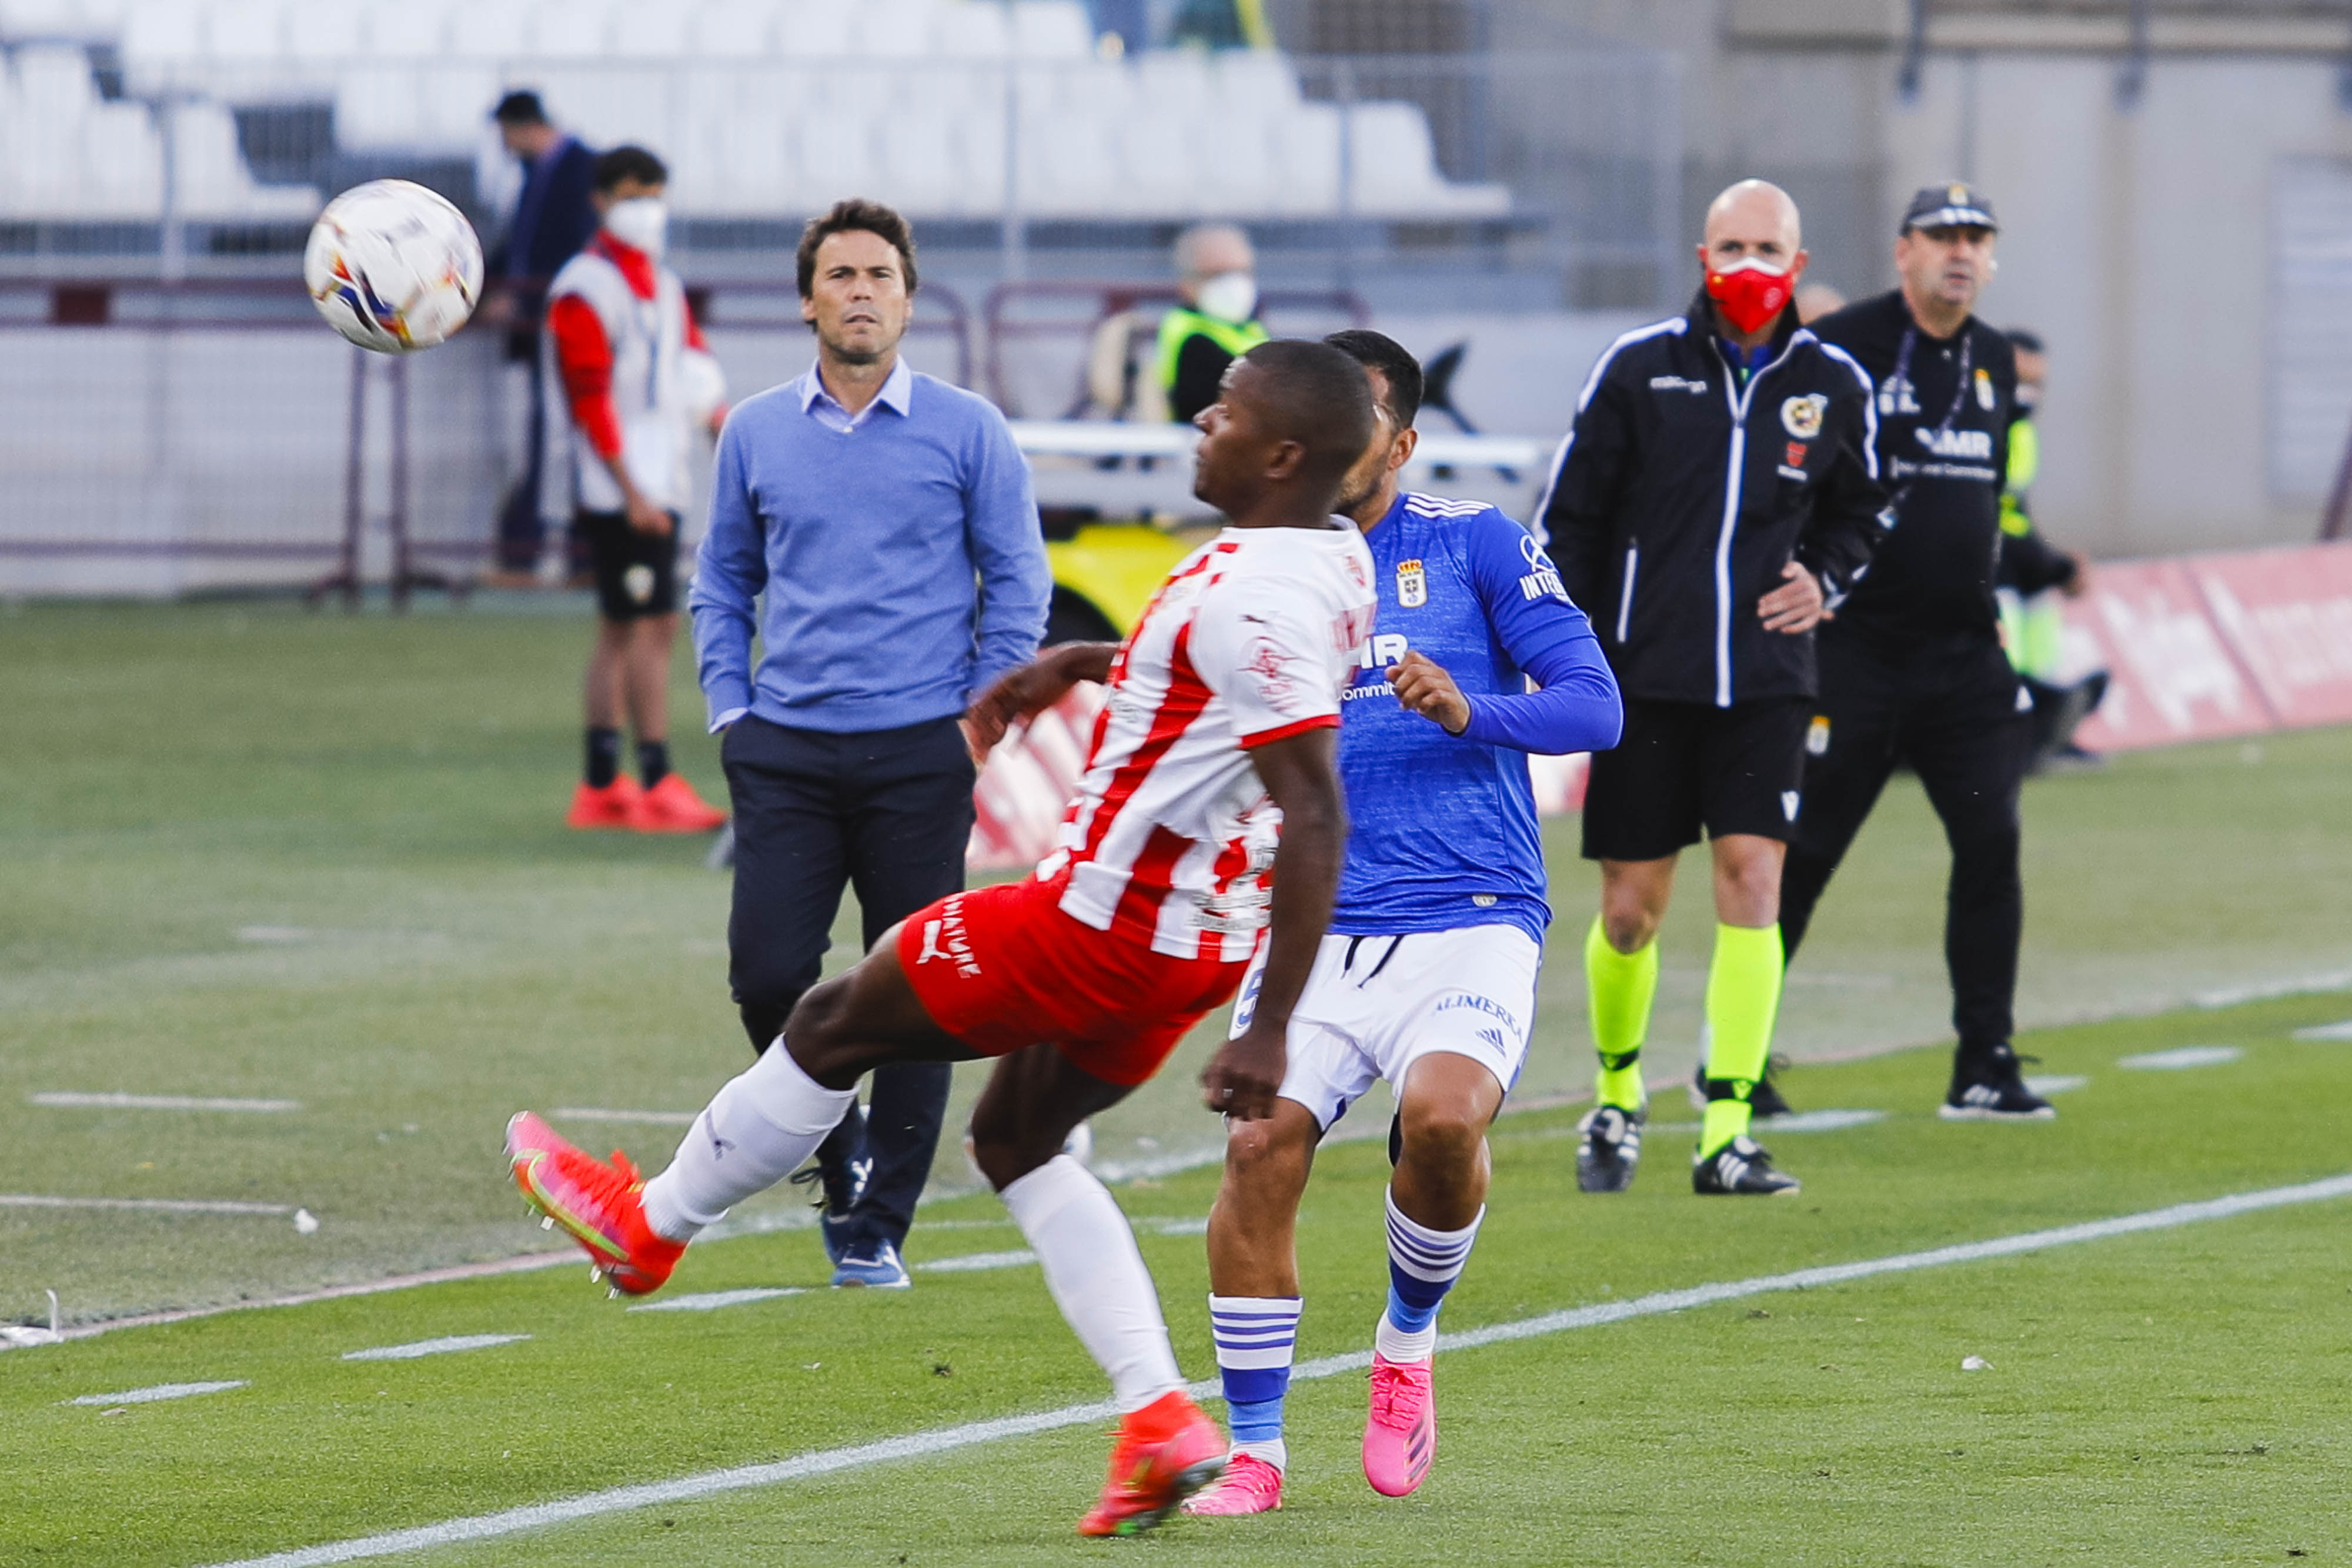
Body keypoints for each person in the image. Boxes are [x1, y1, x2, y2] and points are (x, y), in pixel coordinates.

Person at [506, 338, 1381, 1538]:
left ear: (1280, 453)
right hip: (1190, 938)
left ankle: (647, 1227)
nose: (1200, 423)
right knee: (1016, 1136)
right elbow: (1225, 699)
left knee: (830, 1020)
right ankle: (1158, 1418)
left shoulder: (1253, 592)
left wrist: (1273, 1031)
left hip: (1103, 918)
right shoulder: (1326, 553)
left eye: (1223, 413)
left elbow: (1316, 803)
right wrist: (1087, 665)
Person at [1182, 332, 1621, 1518]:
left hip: (1468, 911)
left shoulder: (1471, 541)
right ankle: (1258, 1451)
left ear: (1400, 440)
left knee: (1437, 1120)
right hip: (1312, 925)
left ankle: (1404, 1341)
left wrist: (1470, 706)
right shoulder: (1249, 563)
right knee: (1255, 1149)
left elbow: (1596, 706)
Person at [673, 199, 1050, 1288]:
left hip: (920, 754)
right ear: (808, 300)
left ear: (908, 296)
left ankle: (879, 1219)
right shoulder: (754, 429)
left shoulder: (968, 427)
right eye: (840, 275)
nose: (861, 292)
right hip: (782, 748)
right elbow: (724, 581)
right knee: (767, 974)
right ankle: (835, 1151)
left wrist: (978, 722)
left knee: (917, 985)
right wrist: (732, 712)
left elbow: (1018, 583)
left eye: (880, 274)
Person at [1537, 179, 1887, 1197]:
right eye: (1729, 247)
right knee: (1632, 910)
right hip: (1644, 682)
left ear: (1798, 264)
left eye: (1765, 249)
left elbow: (1866, 508)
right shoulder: (1639, 369)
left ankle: (1725, 1128)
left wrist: (1824, 577)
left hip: (1770, 682)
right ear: (1702, 257)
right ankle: (1616, 1093)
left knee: (1755, 882)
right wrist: (1581, 647)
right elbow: (1574, 519)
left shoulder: (1835, 382)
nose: (1747, 267)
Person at [1785, 185, 2056, 1121]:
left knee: (1992, 846)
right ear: (1903, 251)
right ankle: (1734, 1062)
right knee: (1805, 852)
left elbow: (1980, 506)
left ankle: (1984, 1061)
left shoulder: (1991, 358)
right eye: (1943, 235)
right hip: (1855, 650)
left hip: (1964, 662)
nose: (1961, 252)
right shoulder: (1845, 342)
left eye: (1977, 237)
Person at [549, 146, 730, 836]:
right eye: (633, 193)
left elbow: (691, 362)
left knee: (635, 626)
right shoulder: (585, 288)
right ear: (601, 200)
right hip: (621, 485)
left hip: (660, 475)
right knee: (642, 630)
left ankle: (603, 782)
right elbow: (588, 400)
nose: (647, 206)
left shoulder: (660, 281)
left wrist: (718, 421)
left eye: (655, 191)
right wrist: (630, 491)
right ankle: (651, 779)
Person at [485, 91, 599, 584]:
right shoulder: (538, 173)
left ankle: (570, 551)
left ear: (521, 125)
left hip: (565, 326)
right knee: (546, 431)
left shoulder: (580, 169)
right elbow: (518, 245)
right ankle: (539, 548)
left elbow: (574, 249)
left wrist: (529, 300)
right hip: (538, 332)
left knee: (570, 432)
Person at [1994, 327, 2103, 770]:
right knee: (2003, 604)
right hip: (1977, 560)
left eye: (2037, 384)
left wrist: (2054, 565)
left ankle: (2046, 728)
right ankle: (2010, 730)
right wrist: (2054, 564)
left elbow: (2014, 514)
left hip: (2006, 552)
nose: (2028, 394)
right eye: (2018, 379)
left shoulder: (2021, 432)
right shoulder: (1976, 427)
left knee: (2042, 603)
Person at [1158, 223, 1268, 424]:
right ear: (1187, 284)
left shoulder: (1247, 327)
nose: (1234, 284)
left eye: (1242, 272)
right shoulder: (1192, 337)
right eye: (1218, 274)